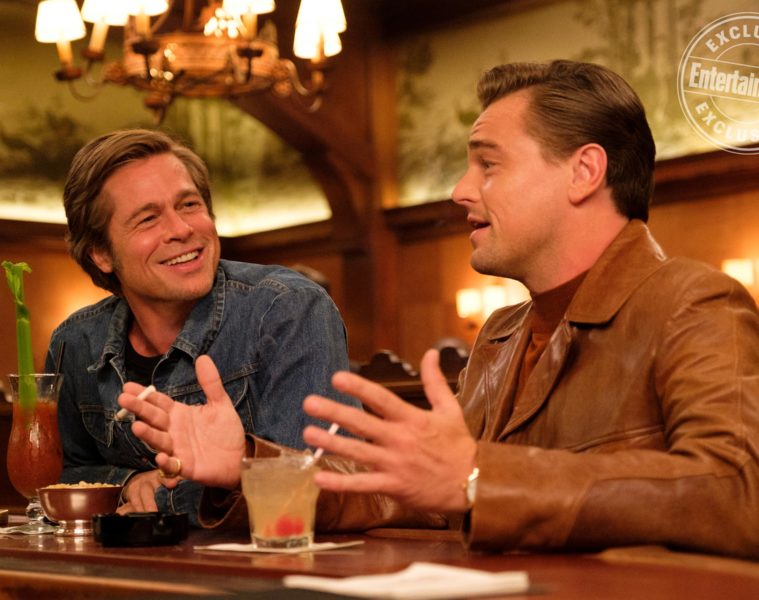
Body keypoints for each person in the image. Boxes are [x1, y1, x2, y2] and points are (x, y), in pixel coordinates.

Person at [118, 61, 759, 558]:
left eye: (488, 165)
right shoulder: (503, 333)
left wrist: (477, 477)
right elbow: (407, 489)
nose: (459, 190)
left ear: (584, 171)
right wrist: (248, 468)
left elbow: (739, 493)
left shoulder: (693, 302)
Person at [45, 129, 359, 525]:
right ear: (101, 254)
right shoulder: (75, 342)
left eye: (189, 204)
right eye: (148, 219)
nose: (181, 229)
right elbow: (64, 478)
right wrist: (129, 483)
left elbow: (321, 485)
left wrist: (168, 495)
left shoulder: (287, 309)